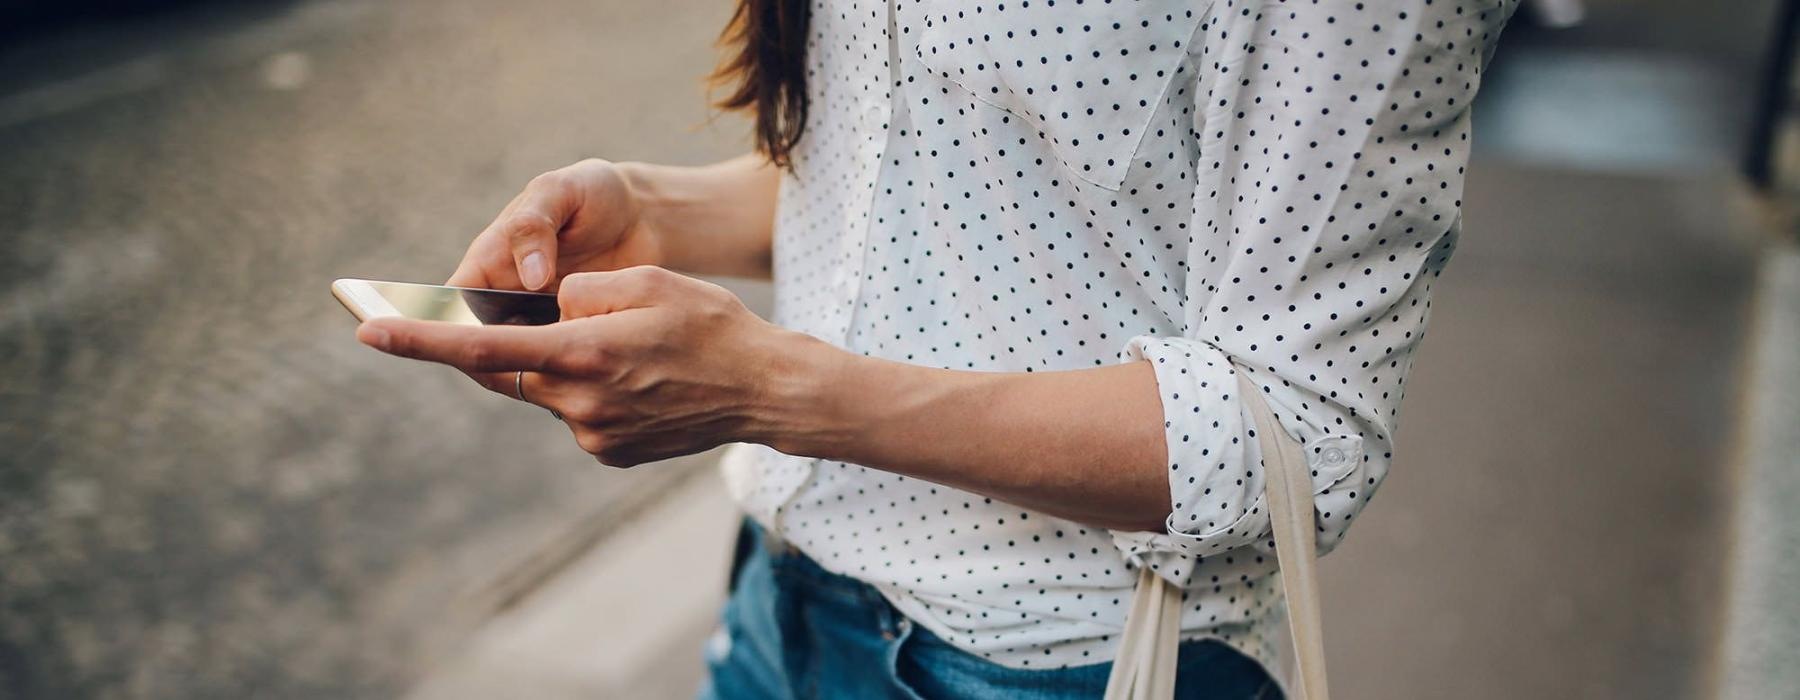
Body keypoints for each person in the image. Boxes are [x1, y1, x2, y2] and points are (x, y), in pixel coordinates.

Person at [355, 0, 1516, 696]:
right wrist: (652, 207)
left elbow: (1302, 428)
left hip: (1058, 662)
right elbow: (933, 177)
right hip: (780, 607)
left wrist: (777, 389)